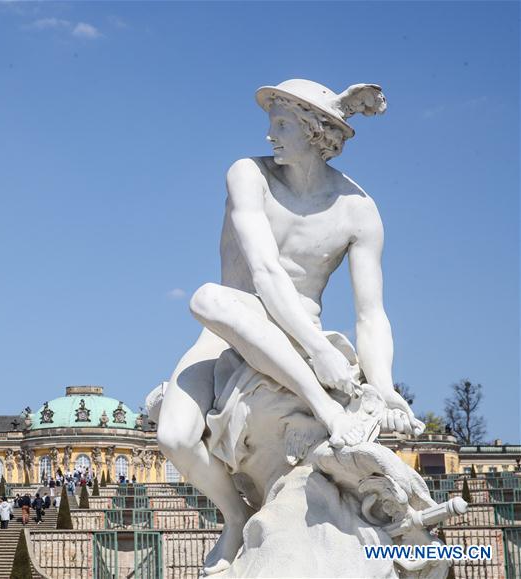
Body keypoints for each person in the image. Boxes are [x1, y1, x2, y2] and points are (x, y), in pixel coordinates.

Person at [155, 79, 423, 576]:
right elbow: (265, 273)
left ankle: (325, 411)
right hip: (231, 325)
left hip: (299, 335)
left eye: (281, 124)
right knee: (175, 436)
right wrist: (320, 351)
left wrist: (384, 387)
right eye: (272, 123)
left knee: (208, 300)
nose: (270, 134)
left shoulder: (358, 209)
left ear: (318, 132)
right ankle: (236, 517)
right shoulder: (249, 173)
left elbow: (371, 314)